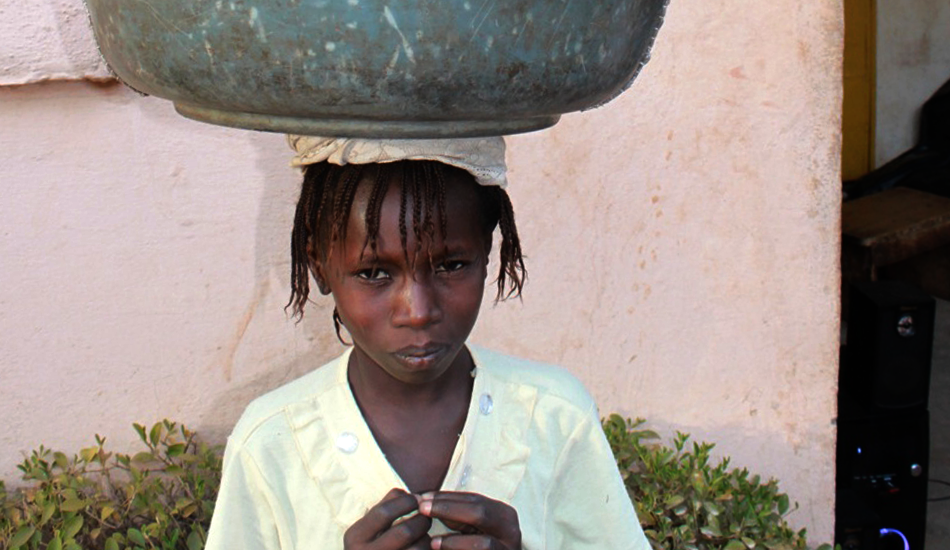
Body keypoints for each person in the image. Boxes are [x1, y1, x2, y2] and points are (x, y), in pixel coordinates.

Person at [205, 136, 650, 550]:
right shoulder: (272, 443)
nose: (417, 310)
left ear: (487, 251)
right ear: (318, 264)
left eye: (451, 265)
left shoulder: (554, 417)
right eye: (374, 273)